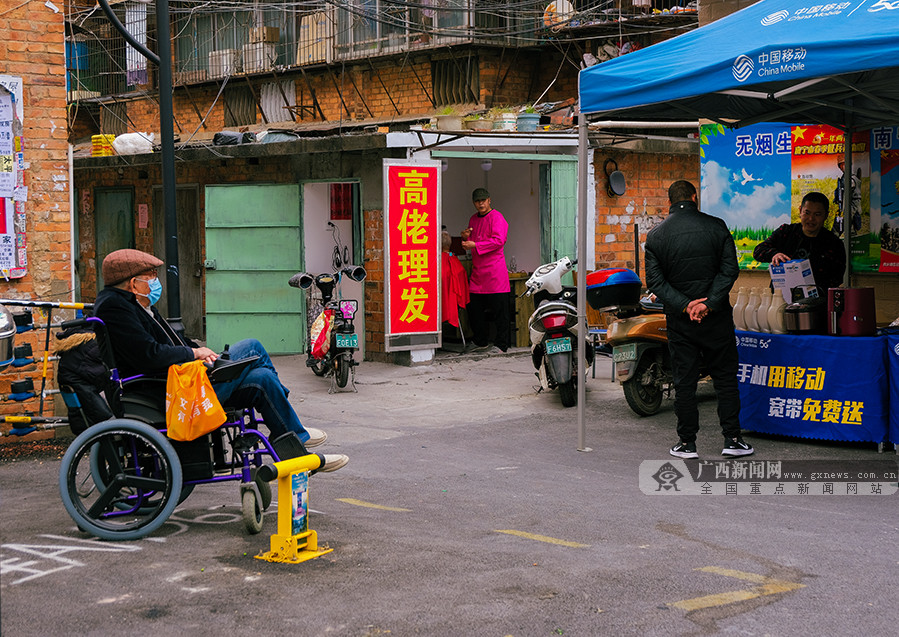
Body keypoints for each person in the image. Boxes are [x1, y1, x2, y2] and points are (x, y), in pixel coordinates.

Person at [93, 249, 348, 472]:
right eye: (150, 275)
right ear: (132, 282)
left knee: (262, 379)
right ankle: (293, 427)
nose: (155, 281)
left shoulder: (138, 304)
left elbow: (170, 343)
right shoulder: (116, 307)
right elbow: (150, 355)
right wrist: (195, 354)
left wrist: (199, 351)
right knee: (253, 347)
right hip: (171, 389)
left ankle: (297, 446)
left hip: (185, 378)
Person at [645, 180, 753, 459]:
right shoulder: (717, 226)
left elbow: (655, 281)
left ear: (669, 201)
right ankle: (732, 440)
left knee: (685, 382)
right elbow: (730, 270)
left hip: (680, 323)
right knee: (726, 379)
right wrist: (709, 303)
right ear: (695, 197)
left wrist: (685, 306)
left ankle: (687, 443)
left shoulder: (656, 236)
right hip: (716, 319)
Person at [752, 191, 846, 293]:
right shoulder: (786, 232)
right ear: (800, 210)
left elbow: (838, 277)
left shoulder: (833, 243)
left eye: (817, 214)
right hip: (780, 299)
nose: (811, 219)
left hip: (816, 302)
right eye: (807, 212)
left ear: (826, 215)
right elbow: (758, 251)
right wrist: (774, 254)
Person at [460, 187, 510, 353]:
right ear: (474, 203)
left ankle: (502, 344)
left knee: (499, 311)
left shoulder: (497, 217)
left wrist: (474, 244)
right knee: (474, 307)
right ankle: (480, 340)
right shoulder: (473, 219)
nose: (480, 203)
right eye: (477, 201)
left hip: (495, 272)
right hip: (478, 273)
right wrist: (466, 237)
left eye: (483, 200)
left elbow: (498, 241)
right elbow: (474, 240)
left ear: (489, 200)